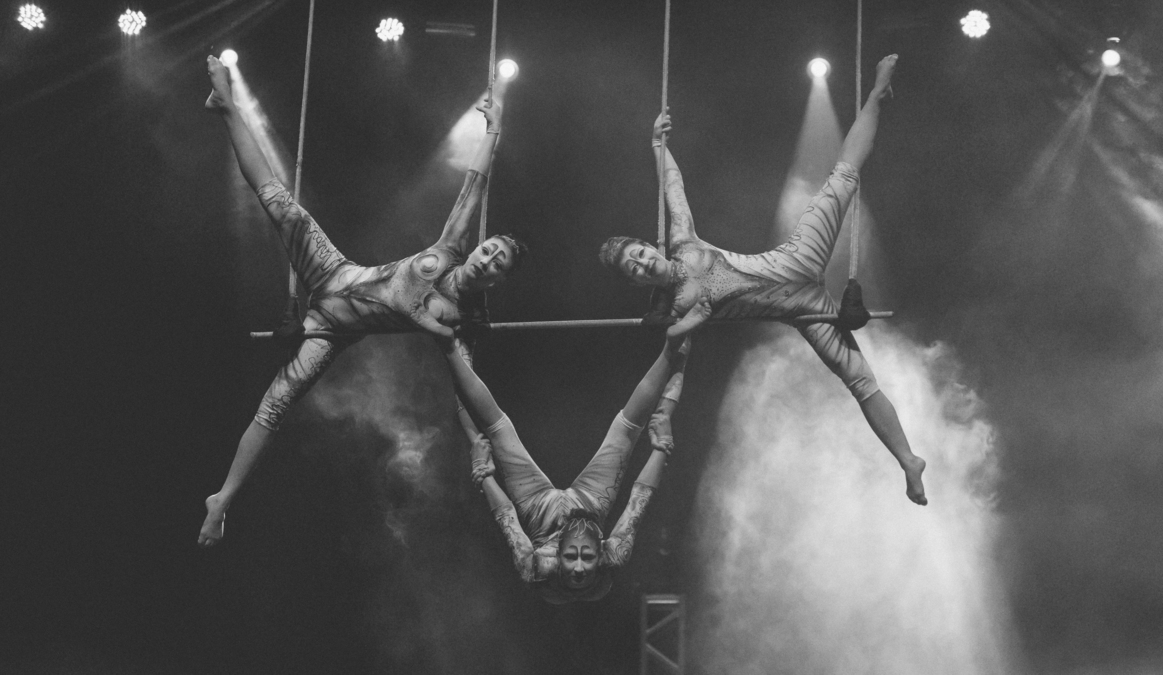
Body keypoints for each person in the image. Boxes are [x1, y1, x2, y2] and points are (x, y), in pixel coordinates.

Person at [198, 56, 527, 546]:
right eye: (490, 250)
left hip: (332, 329)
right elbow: (473, 186)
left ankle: (222, 499)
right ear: (478, 248)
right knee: (282, 207)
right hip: (334, 270)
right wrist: (494, 131)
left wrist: (477, 441)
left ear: (497, 281)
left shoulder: (459, 321)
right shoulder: (449, 249)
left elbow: (468, 395)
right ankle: (227, 107)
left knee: (275, 405)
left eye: (498, 264)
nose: (488, 260)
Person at [598, 55, 927, 505]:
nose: (640, 264)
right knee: (860, 382)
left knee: (843, 178)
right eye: (632, 269)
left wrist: (657, 146)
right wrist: (666, 408)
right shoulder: (677, 311)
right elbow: (674, 367)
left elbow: (674, 188)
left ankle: (876, 95)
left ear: (648, 246)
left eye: (638, 254)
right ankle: (909, 460)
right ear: (635, 283)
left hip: (795, 259)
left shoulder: (684, 243)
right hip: (804, 311)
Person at [441, 329, 694, 603]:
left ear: (557, 553)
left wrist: (483, 472)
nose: (579, 568)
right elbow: (640, 497)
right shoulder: (615, 555)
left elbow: (506, 516)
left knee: (495, 431)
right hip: (591, 504)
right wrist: (662, 446)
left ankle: (453, 347)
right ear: (601, 552)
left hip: (540, 513)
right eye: (586, 557)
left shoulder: (535, 568)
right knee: (628, 429)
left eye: (572, 557)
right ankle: (675, 344)